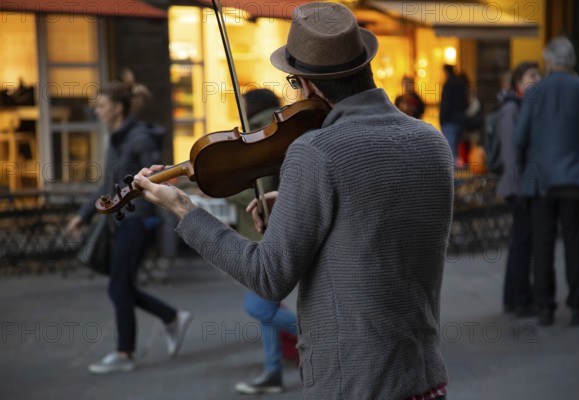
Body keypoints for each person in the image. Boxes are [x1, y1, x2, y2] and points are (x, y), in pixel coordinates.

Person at [134, 3, 453, 399]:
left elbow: (267, 278)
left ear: (307, 85)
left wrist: (184, 209)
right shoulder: (432, 143)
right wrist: (297, 201)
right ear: (366, 68)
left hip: (352, 383)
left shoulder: (316, 151)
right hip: (425, 377)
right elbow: (385, 222)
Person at [66, 80, 192, 373]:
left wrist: (160, 224)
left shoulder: (140, 138)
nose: (97, 111)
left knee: (118, 286)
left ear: (117, 108)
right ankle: (171, 317)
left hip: (138, 222)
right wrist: (83, 215)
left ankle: (125, 353)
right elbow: (106, 186)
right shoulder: (117, 139)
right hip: (121, 222)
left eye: (101, 106)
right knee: (120, 286)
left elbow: (157, 180)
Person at [514, 37, 579, 327]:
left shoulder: (535, 92)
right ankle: (577, 307)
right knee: (575, 244)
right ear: (572, 60)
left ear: (549, 61)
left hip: (540, 182)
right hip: (573, 179)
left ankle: (545, 308)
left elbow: (520, 137)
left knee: (543, 245)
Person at [227, 88, 298, 394]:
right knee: (266, 308)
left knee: (259, 307)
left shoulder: (259, 133)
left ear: (250, 106)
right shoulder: (274, 131)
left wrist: (221, 188)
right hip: (263, 234)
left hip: (262, 235)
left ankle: (322, 333)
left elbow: (261, 193)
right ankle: (272, 372)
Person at [495, 61, 542, 317]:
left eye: (538, 75)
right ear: (518, 81)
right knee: (523, 244)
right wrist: (522, 189)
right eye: (531, 75)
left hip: (522, 185)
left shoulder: (523, 106)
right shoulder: (513, 109)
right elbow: (512, 155)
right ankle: (521, 299)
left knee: (520, 244)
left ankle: (514, 298)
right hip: (519, 187)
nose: (536, 79)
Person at [440, 64, 468, 164]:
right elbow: (465, 102)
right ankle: (458, 177)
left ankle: (455, 179)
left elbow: (446, 105)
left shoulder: (449, 84)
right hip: (459, 121)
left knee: (451, 154)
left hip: (450, 122)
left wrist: (442, 119)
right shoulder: (460, 83)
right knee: (456, 153)